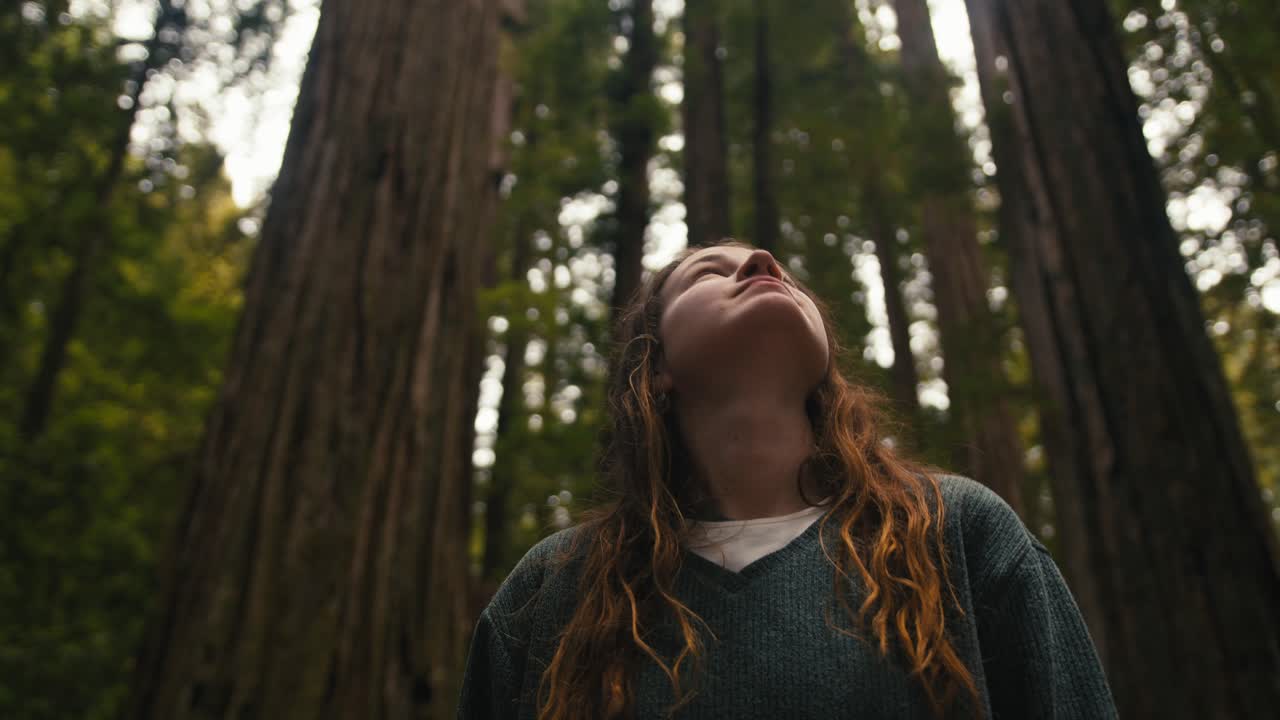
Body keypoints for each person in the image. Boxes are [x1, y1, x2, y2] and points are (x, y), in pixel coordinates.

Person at [457, 240, 1117, 719]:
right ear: (654, 368)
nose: (762, 265)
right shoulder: (553, 590)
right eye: (707, 273)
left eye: (778, 269)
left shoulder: (956, 532)